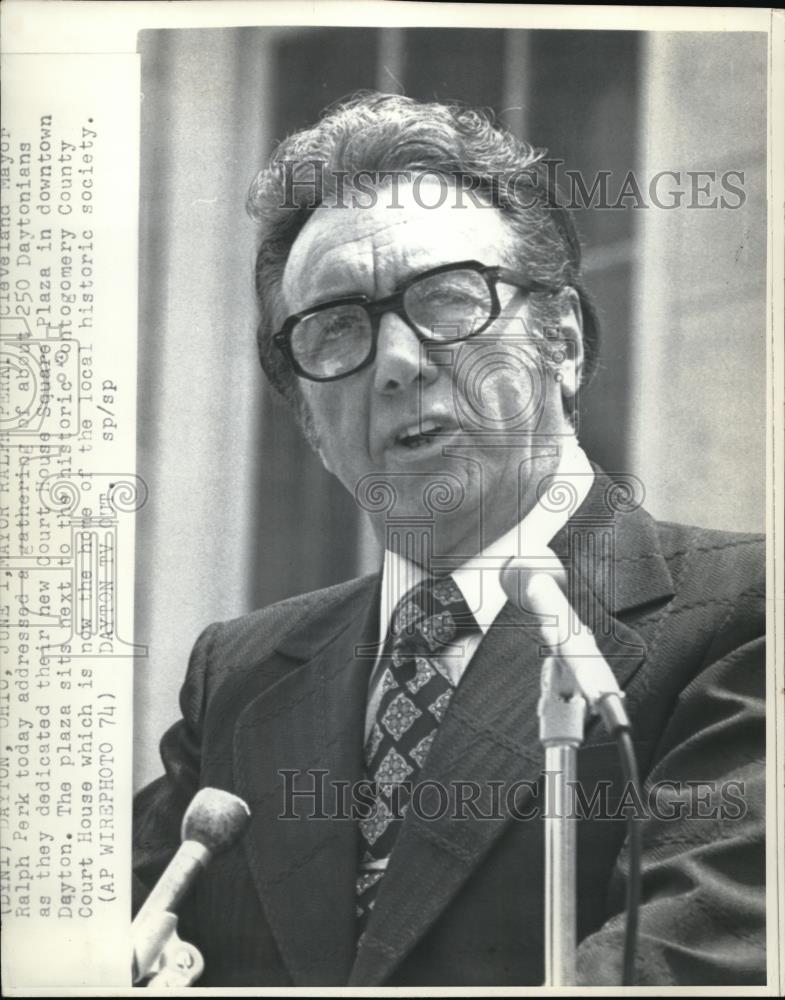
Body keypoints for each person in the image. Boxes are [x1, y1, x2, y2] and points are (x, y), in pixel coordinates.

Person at [132, 93, 766, 987]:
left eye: (448, 300)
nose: (395, 362)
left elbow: (679, 971)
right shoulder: (237, 675)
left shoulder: (744, 617)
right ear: (310, 419)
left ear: (564, 342)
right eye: (337, 327)